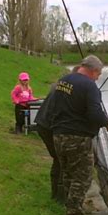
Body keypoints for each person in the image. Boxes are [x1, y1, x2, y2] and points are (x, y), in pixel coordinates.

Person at [51, 56, 108, 215]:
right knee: (83, 178)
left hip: (58, 135)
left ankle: (71, 208)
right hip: (78, 138)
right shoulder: (89, 86)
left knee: (68, 174)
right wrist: (107, 122)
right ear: (93, 70)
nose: (98, 77)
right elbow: (94, 113)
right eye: (99, 74)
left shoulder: (63, 81)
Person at [34, 66, 80, 204]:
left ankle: (57, 194)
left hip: (42, 124)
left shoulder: (60, 85)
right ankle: (60, 197)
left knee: (58, 159)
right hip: (48, 127)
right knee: (62, 160)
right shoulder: (70, 90)